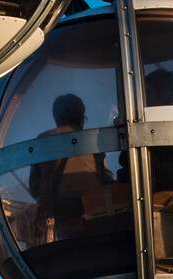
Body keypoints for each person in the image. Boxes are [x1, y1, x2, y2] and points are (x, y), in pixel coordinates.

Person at [27, 94, 112, 243]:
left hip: (58, 218)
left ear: (57, 117)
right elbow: (106, 180)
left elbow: (34, 188)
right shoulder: (91, 140)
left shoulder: (42, 140)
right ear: (80, 116)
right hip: (92, 215)